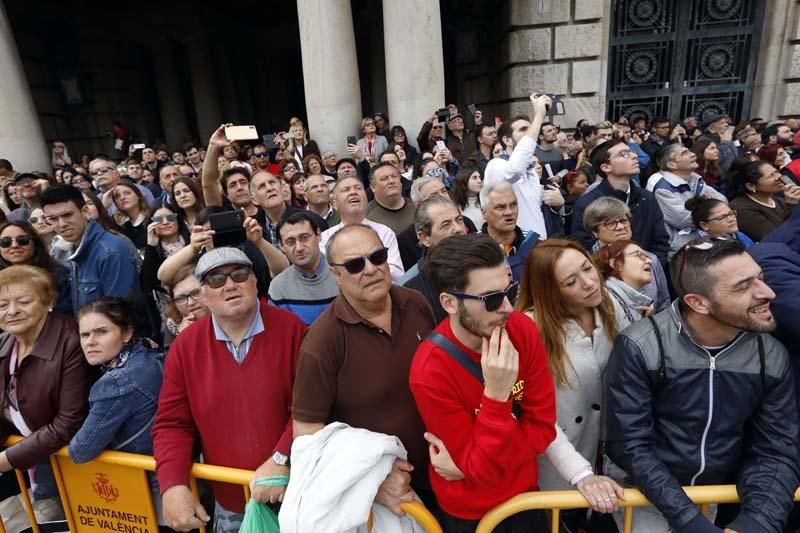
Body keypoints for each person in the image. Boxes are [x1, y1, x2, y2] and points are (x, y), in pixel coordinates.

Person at [605, 237, 800, 532]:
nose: (768, 293)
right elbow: (631, 445)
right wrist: (690, 521)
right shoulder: (642, 345)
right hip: (641, 499)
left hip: (711, 497)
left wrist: (757, 523)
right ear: (698, 302)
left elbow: (775, 449)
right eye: (743, 286)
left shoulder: (770, 355)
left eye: (760, 278)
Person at [409, 233, 556, 531]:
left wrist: (473, 467)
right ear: (450, 303)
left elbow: (543, 429)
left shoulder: (521, 330)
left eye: (509, 291)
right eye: (491, 299)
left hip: (524, 496)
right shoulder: (430, 371)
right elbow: (484, 469)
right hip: (469, 512)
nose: (507, 308)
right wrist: (497, 396)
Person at [153, 247, 306, 532]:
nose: (230, 285)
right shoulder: (185, 348)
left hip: (298, 494)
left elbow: (310, 407)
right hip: (231, 505)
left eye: (239, 274)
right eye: (216, 280)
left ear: (255, 282)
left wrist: (280, 458)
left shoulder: (292, 330)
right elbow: (172, 424)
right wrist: (173, 485)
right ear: (203, 294)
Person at [292, 223, 437, 513]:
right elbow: (307, 435)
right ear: (335, 274)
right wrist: (371, 484)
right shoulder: (322, 342)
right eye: (356, 265)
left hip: (443, 476)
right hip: (387, 501)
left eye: (378, 257)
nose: (370, 269)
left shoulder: (416, 302)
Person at [516, 240, 624, 530]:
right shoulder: (530, 328)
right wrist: (578, 473)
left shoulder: (610, 306)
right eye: (571, 282)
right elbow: (533, 414)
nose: (589, 283)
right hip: (558, 465)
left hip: (610, 457)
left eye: (588, 268)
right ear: (550, 291)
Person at [0, 265, 92, 519]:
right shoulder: (6, 342)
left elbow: (69, 422)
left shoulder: (71, 341)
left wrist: (6, 459)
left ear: (48, 301)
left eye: (24, 301)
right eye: (2, 305)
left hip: (69, 472)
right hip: (28, 471)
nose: (12, 311)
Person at [68, 297, 164, 520]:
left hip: (148, 490)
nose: (90, 342)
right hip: (169, 477)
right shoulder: (150, 352)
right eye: (84, 334)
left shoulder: (116, 383)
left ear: (127, 333)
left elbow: (80, 451)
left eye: (101, 332)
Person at [40, 185, 141, 315]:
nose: (61, 224)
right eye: (53, 219)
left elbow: (118, 314)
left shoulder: (111, 252)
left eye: (67, 215)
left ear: (85, 211)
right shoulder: (68, 247)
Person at [571, 138, 670, 265]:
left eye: (632, 152)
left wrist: (649, 267)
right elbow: (584, 248)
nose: (634, 156)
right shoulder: (587, 204)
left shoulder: (647, 198)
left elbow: (660, 242)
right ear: (606, 167)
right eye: (624, 154)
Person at [484, 93, 564, 237]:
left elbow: (533, 208)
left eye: (531, 128)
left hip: (539, 244)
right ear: (507, 140)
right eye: (523, 130)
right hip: (514, 246)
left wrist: (557, 203)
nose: (530, 133)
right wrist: (539, 115)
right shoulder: (496, 165)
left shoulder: (531, 169)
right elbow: (513, 171)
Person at [582, 197, 670, 311]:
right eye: (611, 223)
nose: (620, 227)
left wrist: (653, 318)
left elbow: (664, 303)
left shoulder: (650, 259)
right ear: (595, 232)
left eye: (624, 220)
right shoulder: (586, 264)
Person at [319, 176, 404, 282]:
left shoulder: (384, 232)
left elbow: (397, 275)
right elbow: (328, 278)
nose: (353, 192)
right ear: (334, 204)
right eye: (346, 190)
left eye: (358, 188)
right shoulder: (324, 239)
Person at [649, 143, 727, 253]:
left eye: (689, 151)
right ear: (672, 165)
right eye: (684, 153)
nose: (692, 154)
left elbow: (722, 200)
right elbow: (685, 220)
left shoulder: (695, 178)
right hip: (683, 247)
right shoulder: (663, 188)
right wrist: (707, 204)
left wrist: (703, 206)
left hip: (705, 237)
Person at [401, 196, 468, 322]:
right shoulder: (411, 290)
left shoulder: (484, 263)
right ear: (425, 237)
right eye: (446, 225)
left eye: (459, 220)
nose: (458, 229)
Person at [268, 212, 338, 325]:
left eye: (305, 238)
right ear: (282, 246)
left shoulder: (343, 272)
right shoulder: (278, 287)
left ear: (318, 235)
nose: (299, 248)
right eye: (290, 242)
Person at [0, 222, 72, 315]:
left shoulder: (59, 275)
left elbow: (65, 313)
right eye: (5, 242)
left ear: (36, 245)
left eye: (22, 240)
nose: (14, 245)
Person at [481, 181, 541, 282]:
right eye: (500, 207)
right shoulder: (471, 249)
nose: (509, 212)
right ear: (484, 213)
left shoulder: (536, 245)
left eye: (513, 205)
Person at [728, 160, 799, 241]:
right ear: (751, 186)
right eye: (771, 175)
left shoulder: (778, 200)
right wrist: (792, 206)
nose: (778, 177)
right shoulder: (741, 208)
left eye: (776, 172)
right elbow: (777, 238)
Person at [594, 240, 655, 329]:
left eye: (646, 256)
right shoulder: (608, 303)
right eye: (639, 255)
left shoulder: (633, 302)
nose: (650, 261)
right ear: (616, 264)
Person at [672, 197, 754, 252]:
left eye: (731, 213)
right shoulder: (697, 248)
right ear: (704, 225)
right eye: (722, 217)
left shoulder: (740, 236)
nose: (731, 219)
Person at [366, 162, 415, 235]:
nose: (391, 181)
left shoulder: (416, 207)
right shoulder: (366, 217)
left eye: (394, 176)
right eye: (384, 179)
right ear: (373, 187)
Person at [163, 264, 209, 338]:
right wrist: (183, 338)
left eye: (196, 293)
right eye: (181, 298)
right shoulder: (173, 324)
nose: (190, 303)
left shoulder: (228, 313)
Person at [111, 181, 152, 250]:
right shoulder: (116, 224)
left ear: (138, 195)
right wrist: (105, 204)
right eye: (117, 196)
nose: (122, 198)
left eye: (127, 193)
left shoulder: (152, 217)